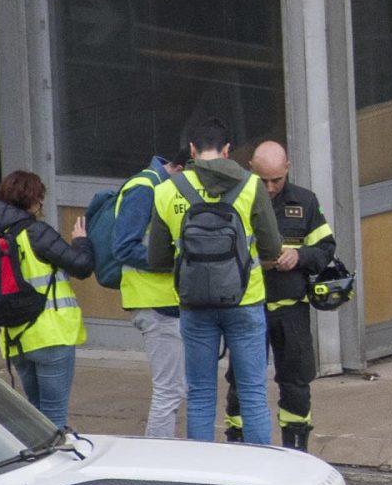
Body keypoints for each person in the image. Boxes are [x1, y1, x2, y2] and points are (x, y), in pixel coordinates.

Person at [144, 115, 282, 446]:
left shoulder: (166, 191)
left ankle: (203, 475)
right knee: (252, 395)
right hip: (244, 300)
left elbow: (157, 259)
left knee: (201, 394)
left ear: (191, 149)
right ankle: (262, 474)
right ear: (227, 150)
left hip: (194, 304)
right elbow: (273, 248)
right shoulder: (251, 185)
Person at [0, 172, 95, 428]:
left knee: (36, 415)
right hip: (51, 336)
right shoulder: (36, 233)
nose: (41, 205)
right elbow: (82, 266)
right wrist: (81, 242)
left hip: (16, 340)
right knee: (54, 417)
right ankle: (53, 466)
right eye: (40, 199)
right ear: (32, 200)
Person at [245, 141, 336, 451]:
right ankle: (240, 450)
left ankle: (296, 451)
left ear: (287, 168)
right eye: (263, 180)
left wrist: (298, 257)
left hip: (291, 309)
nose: (270, 188)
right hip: (249, 309)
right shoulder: (239, 199)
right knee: (243, 384)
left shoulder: (305, 202)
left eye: (276, 180)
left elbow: (325, 249)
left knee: (296, 383)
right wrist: (258, 260)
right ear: (250, 170)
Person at [109, 145, 187, 437]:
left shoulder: (162, 186)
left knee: (177, 389)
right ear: (179, 169)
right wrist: (175, 261)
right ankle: (158, 461)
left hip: (168, 301)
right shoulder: (144, 188)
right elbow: (124, 247)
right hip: (154, 303)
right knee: (168, 392)